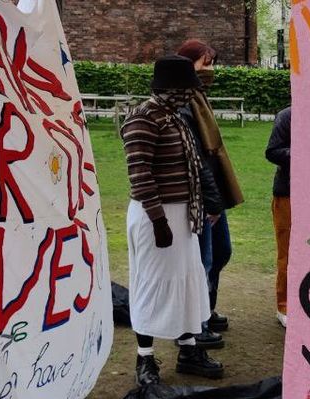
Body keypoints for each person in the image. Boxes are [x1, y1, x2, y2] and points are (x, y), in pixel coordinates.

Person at [121, 55, 224, 385]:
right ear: (170, 88)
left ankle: (189, 349)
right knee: (151, 285)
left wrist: (206, 203)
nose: (189, 95)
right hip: (158, 217)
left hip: (183, 217)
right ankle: (145, 360)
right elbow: (140, 175)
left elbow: (194, 166)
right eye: (185, 89)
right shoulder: (143, 119)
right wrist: (159, 221)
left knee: (186, 282)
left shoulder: (175, 118)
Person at [176, 39, 244, 336]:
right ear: (188, 65)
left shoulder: (198, 99)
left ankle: (207, 308)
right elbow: (194, 158)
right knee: (201, 261)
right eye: (206, 63)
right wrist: (210, 200)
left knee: (220, 252)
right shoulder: (182, 104)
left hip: (213, 192)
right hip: (201, 196)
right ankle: (195, 325)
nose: (211, 69)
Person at [266, 106, 291, 327]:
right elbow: (272, 151)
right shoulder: (287, 116)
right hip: (288, 193)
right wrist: (303, 152)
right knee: (287, 251)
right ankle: (284, 305)